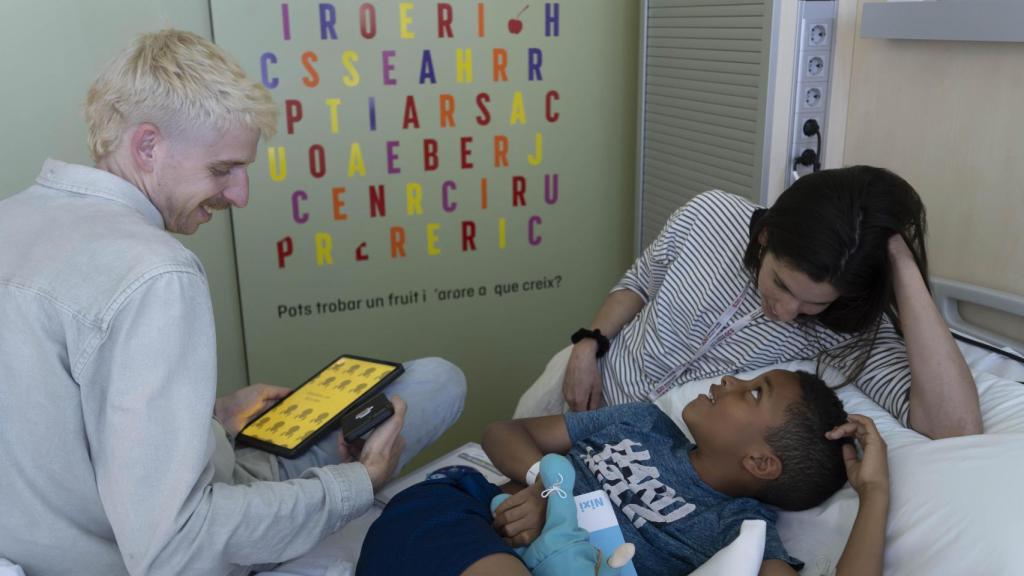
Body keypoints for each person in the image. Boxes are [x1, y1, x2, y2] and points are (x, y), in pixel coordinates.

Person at [0, 30, 465, 576]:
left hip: (42, 533)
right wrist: (359, 483)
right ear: (147, 146)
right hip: (136, 547)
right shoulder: (155, 272)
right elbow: (177, 547)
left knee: (433, 379)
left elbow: (48, 416)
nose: (240, 195)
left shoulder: (12, 218)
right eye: (222, 170)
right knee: (438, 383)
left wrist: (212, 415)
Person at [517, 168, 982, 440]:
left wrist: (900, 259)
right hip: (577, 391)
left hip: (636, 460)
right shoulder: (710, 215)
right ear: (765, 237)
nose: (785, 311)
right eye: (781, 283)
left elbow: (955, 428)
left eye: (811, 304)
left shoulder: (850, 331)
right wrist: (588, 343)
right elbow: (640, 282)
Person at [358, 369, 890, 576]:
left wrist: (874, 495)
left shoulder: (738, 528)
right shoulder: (642, 422)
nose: (727, 378)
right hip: (461, 517)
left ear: (760, 463)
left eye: (752, 392)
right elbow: (503, 432)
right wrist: (548, 482)